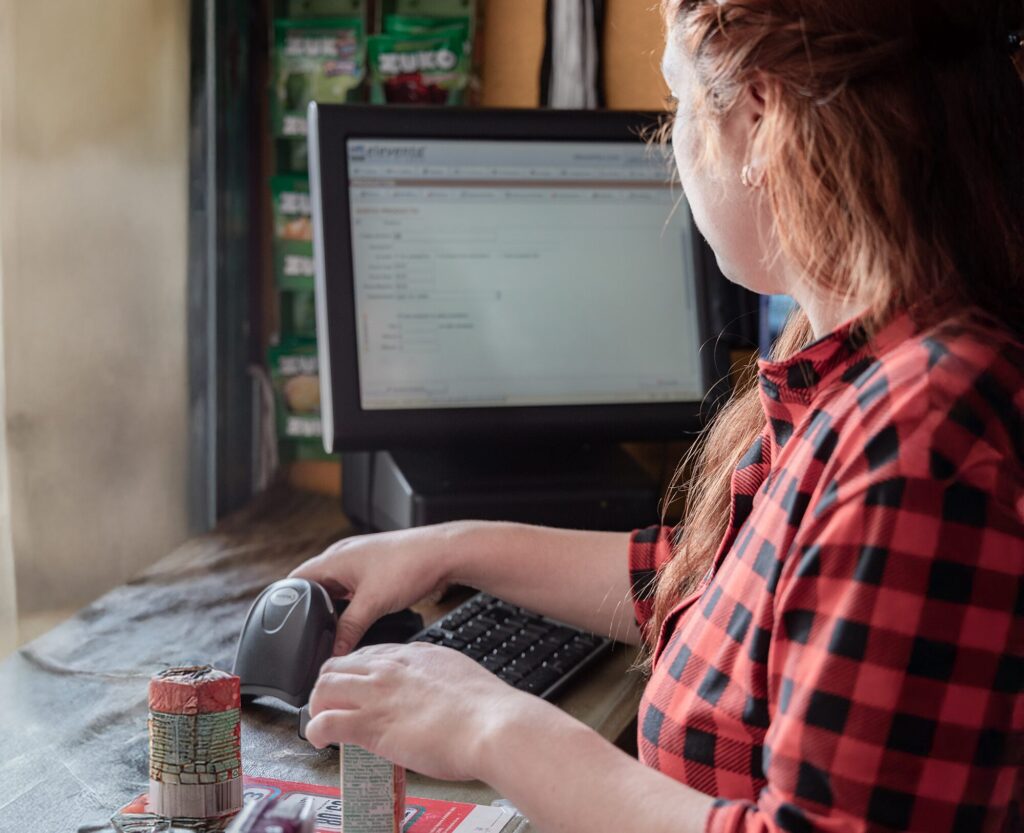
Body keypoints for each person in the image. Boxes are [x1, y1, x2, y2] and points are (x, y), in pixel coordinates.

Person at [292, 2, 1024, 830]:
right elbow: (719, 587)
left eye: (677, 101)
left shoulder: (923, 443)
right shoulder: (861, 361)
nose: (669, 147)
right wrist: (447, 549)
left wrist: (489, 725)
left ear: (760, 114)